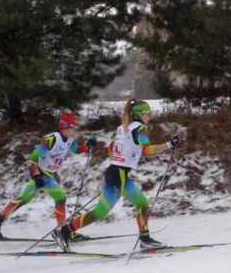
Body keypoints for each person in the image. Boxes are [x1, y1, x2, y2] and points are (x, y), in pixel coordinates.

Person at [53, 99, 185, 251]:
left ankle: (65, 231)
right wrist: (171, 144)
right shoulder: (140, 129)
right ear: (140, 114)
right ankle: (145, 238)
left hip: (114, 172)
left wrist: (120, 158)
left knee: (100, 212)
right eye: (148, 112)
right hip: (119, 175)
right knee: (141, 203)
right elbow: (148, 150)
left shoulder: (123, 128)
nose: (150, 115)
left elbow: (111, 147)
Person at [0, 112, 98, 239]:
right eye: (72, 127)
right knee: (60, 198)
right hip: (41, 173)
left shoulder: (70, 140)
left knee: (24, 199)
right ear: (65, 127)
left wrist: (88, 145)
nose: (74, 130)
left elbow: (76, 150)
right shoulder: (51, 139)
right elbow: (34, 156)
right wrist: (36, 175)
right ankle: (64, 231)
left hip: (48, 174)